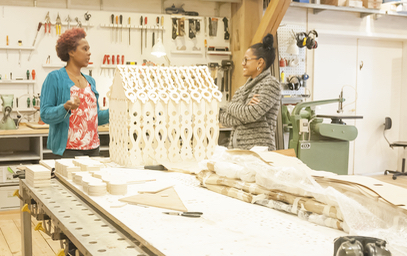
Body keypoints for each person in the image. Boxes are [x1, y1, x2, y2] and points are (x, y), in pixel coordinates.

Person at [40, 28, 109, 158]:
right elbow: (45, 114)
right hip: (68, 151)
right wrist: (65, 107)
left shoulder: (90, 81)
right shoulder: (55, 78)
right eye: (85, 49)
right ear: (71, 51)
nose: (89, 53)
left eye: (89, 49)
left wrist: (116, 111)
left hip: (93, 149)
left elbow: (95, 117)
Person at [219, 33, 281, 151]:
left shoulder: (270, 85)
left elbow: (250, 115)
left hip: (259, 153)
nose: (243, 63)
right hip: (238, 152)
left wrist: (230, 107)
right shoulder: (243, 89)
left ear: (260, 62)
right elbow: (225, 119)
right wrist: (243, 109)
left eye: (246, 60)